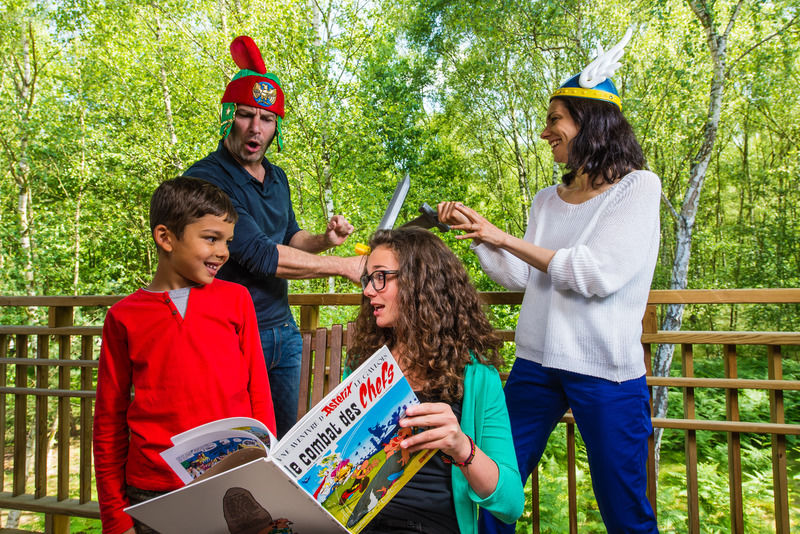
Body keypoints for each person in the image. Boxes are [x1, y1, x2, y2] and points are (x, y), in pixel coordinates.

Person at [439, 30, 661, 533]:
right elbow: (523, 276)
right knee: (493, 485)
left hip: (605, 370)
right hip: (536, 365)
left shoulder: (637, 189)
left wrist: (505, 236)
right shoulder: (546, 200)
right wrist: (480, 236)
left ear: (590, 123)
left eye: (554, 120)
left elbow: (594, 273)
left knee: (624, 509)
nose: (546, 133)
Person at [186, 36, 363, 438]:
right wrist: (346, 267)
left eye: (266, 119)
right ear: (228, 116)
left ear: (276, 126)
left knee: (287, 441)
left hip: (282, 330)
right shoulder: (207, 180)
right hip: (229, 334)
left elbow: (289, 237)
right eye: (246, 115)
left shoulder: (277, 177)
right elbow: (260, 255)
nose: (255, 128)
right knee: (236, 445)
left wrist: (324, 240)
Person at [93, 177, 276, 534]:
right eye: (211, 238)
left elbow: (259, 393)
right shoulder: (123, 317)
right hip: (153, 492)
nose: (223, 252)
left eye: (227, 241)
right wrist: (115, 518)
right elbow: (108, 422)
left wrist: (268, 473)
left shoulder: (237, 300)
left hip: (234, 483)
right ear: (166, 237)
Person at [347, 228, 525, 534]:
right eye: (368, 279)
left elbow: (510, 504)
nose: (368, 291)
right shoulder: (366, 364)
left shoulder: (476, 376)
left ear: (419, 282)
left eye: (380, 277)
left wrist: (461, 447)